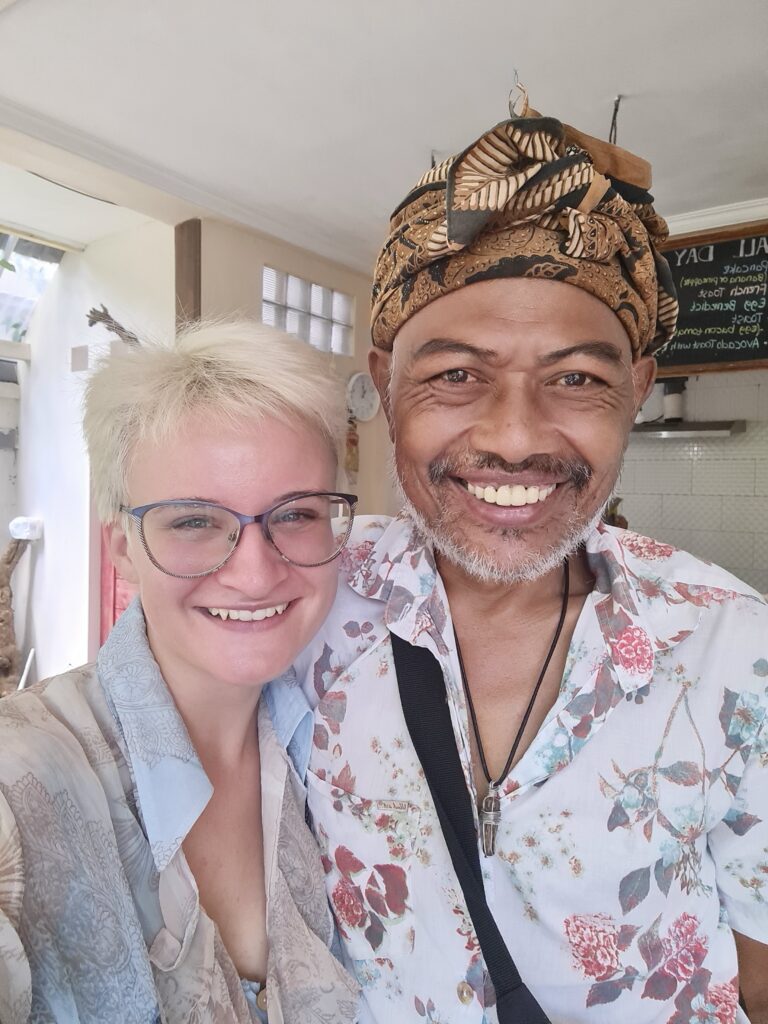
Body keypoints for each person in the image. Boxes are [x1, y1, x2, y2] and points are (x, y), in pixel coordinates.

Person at [294, 104, 768, 1023]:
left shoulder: (733, 643)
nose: (513, 438)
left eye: (578, 378)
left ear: (637, 388)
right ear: (386, 381)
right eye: (457, 374)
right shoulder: (301, 594)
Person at [0, 321, 360, 1023]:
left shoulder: (343, 745)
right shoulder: (22, 780)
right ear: (122, 550)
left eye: (296, 514)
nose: (255, 573)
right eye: (194, 520)